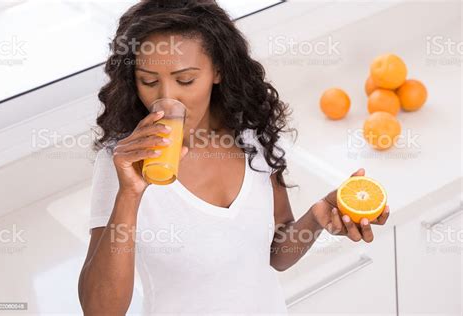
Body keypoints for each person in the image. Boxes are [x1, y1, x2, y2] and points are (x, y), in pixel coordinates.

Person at [78, 0, 390, 314]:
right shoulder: (123, 163)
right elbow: (100, 311)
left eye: (185, 79)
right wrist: (129, 195)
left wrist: (318, 216)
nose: (166, 98)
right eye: (148, 81)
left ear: (218, 70)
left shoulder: (252, 133)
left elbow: (275, 254)